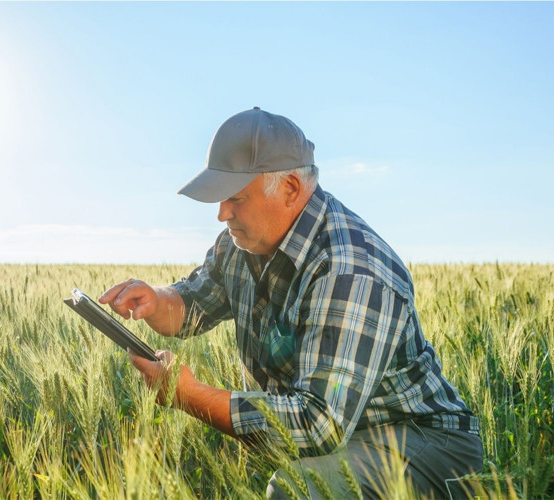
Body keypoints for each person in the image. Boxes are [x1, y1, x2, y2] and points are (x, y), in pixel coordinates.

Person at [99, 107, 483, 499]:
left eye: (235, 198)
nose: (221, 214)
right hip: (340, 437)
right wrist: (155, 300)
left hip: (417, 442)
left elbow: (317, 425)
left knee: (297, 491)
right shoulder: (244, 241)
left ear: (291, 189)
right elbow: (193, 306)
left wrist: (190, 396)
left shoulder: (350, 270)